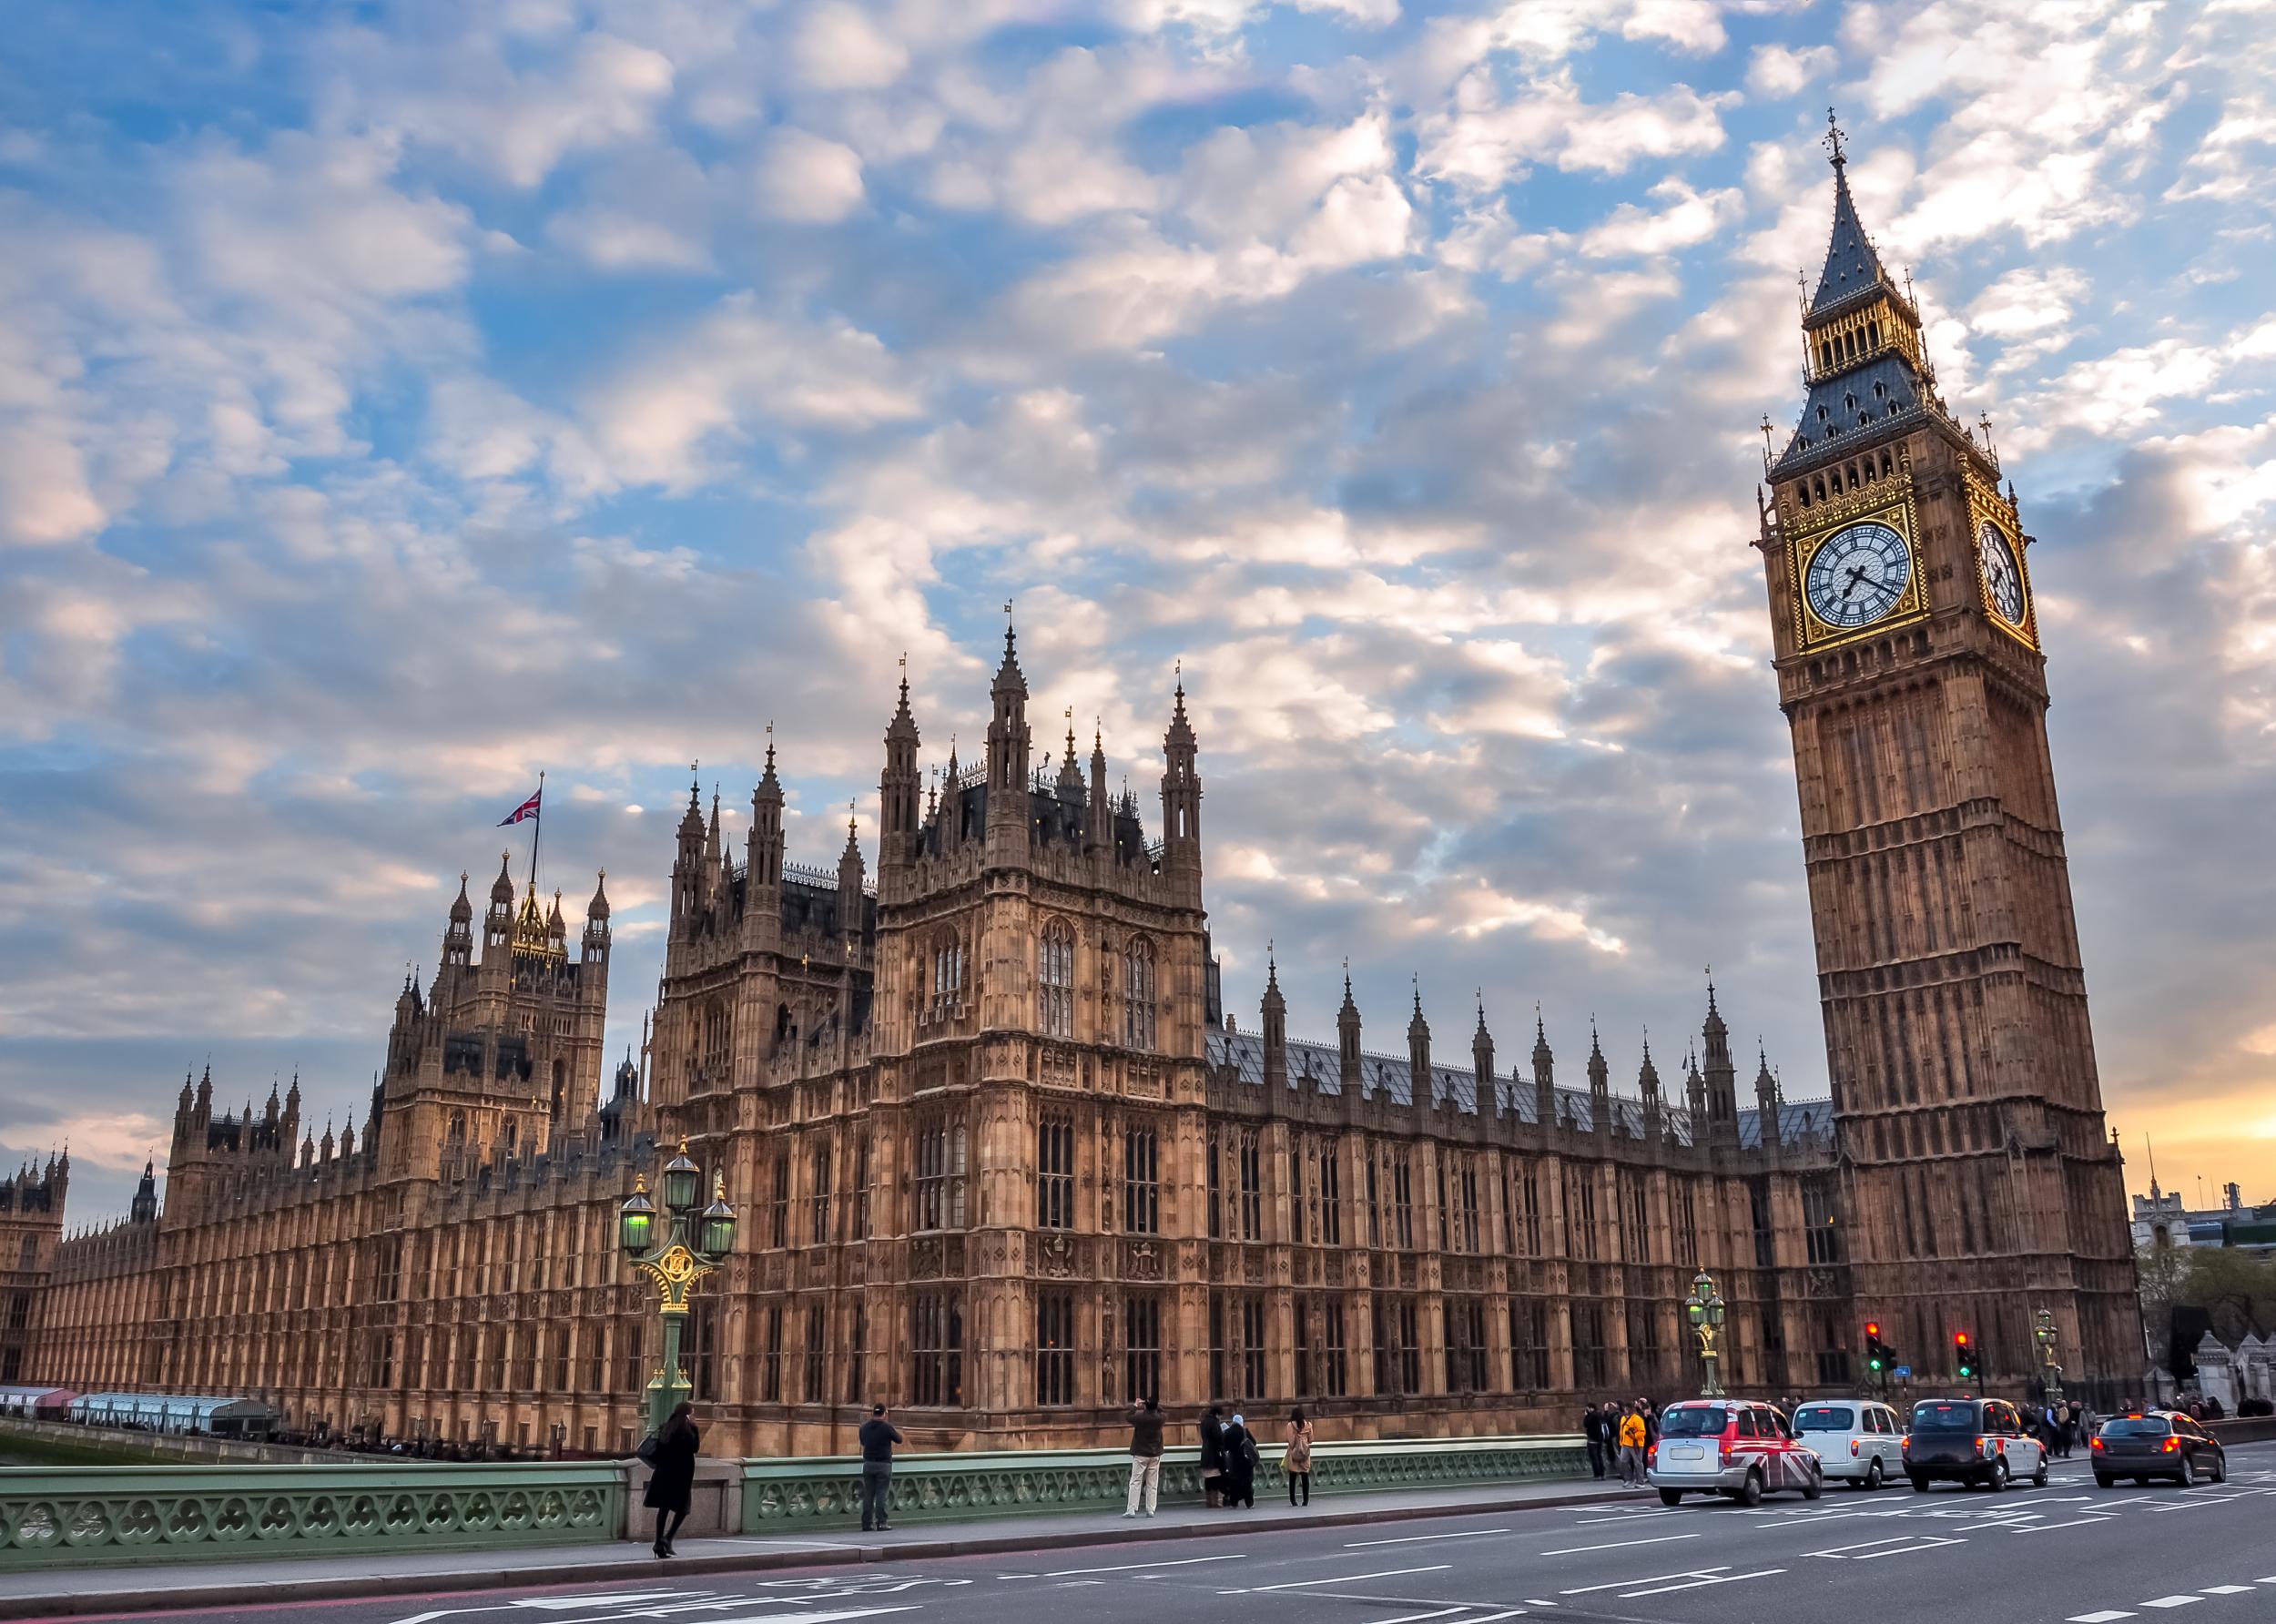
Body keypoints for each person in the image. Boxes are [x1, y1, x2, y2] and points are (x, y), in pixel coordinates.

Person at [643, 1402, 699, 1558]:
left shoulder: (666, 1427)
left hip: (663, 1473)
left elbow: (659, 1450)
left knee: (664, 1508)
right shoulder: (688, 1430)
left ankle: (659, 1542)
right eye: (692, 1412)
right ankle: (668, 1538)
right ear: (688, 1414)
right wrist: (696, 1429)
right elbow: (694, 1448)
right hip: (680, 1474)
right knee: (682, 1508)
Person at [858, 1403, 902, 1533]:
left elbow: (863, 1442)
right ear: (884, 1413)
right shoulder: (887, 1427)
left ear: (873, 1413)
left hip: (868, 1464)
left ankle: (866, 1524)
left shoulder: (864, 1427)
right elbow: (899, 1439)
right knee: (882, 1494)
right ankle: (881, 1523)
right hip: (883, 1464)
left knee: (869, 1494)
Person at [1123, 1396, 1164, 1517]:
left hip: (1141, 1453)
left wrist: (1136, 1405)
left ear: (1146, 1406)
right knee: (1152, 1484)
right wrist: (1153, 1404)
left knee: (1135, 1481)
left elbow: (1128, 1417)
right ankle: (1150, 1509)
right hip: (1155, 1454)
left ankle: (1132, 1509)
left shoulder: (1140, 1418)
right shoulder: (1160, 1418)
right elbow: (1163, 1411)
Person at [1221, 1413, 1258, 1508]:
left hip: (1234, 1461)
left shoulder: (1227, 1432)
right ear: (1241, 1422)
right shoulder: (1245, 1431)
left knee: (1234, 1482)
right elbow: (1254, 1442)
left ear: (1233, 1421)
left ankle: (1234, 1503)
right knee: (1247, 1483)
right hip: (1245, 1461)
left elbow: (1224, 1447)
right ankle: (1249, 1503)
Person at [1285, 1408, 1315, 1507]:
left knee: (1292, 1478)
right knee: (1305, 1477)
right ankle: (1305, 1500)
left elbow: (1291, 1442)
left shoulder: (1290, 1425)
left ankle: (1293, 1501)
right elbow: (1311, 1440)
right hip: (1305, 1454)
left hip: (1293, 1454)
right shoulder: (1309, 1425)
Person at [1199, 1405, 1226, 1507]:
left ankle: (1208, 1501)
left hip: (1205, 1452)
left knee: (1208, 1479)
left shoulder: (1204, 1422)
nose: (1220, 1418)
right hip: (1213, 1454)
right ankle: (1214, 1502)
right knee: (1215, 1479)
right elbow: (1218, 1438)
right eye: (1220, 1416)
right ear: (1217, 1414)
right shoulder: (1214, 1423)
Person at [1617, 1405, 1647, 1487]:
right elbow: (1621, 1432)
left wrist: (1633, 1435)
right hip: (1625, 1443)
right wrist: (1621, 1441)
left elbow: (1642, 1432)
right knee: (1623, 1461)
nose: (1625, 1410)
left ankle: (1640, 1482)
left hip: (1636, 1444)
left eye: (1627, 1409)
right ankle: (1629, 1479)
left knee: (1638, 1463)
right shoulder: (1623, 1418)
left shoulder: (1637, 1419)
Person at [1581, 1401, 1609, 1479]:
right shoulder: (1599, 1414)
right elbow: (1605, 1419)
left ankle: (1597, 1475)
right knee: (1599, 1456)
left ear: (1591, 1408)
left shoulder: (1591, 1416)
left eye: (1588, 1408)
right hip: (1600, 1438)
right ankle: (1603, 1474)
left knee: (1594, 1457)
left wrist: (1586, 1415)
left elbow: (1585, 1424)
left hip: (1592, 1439)